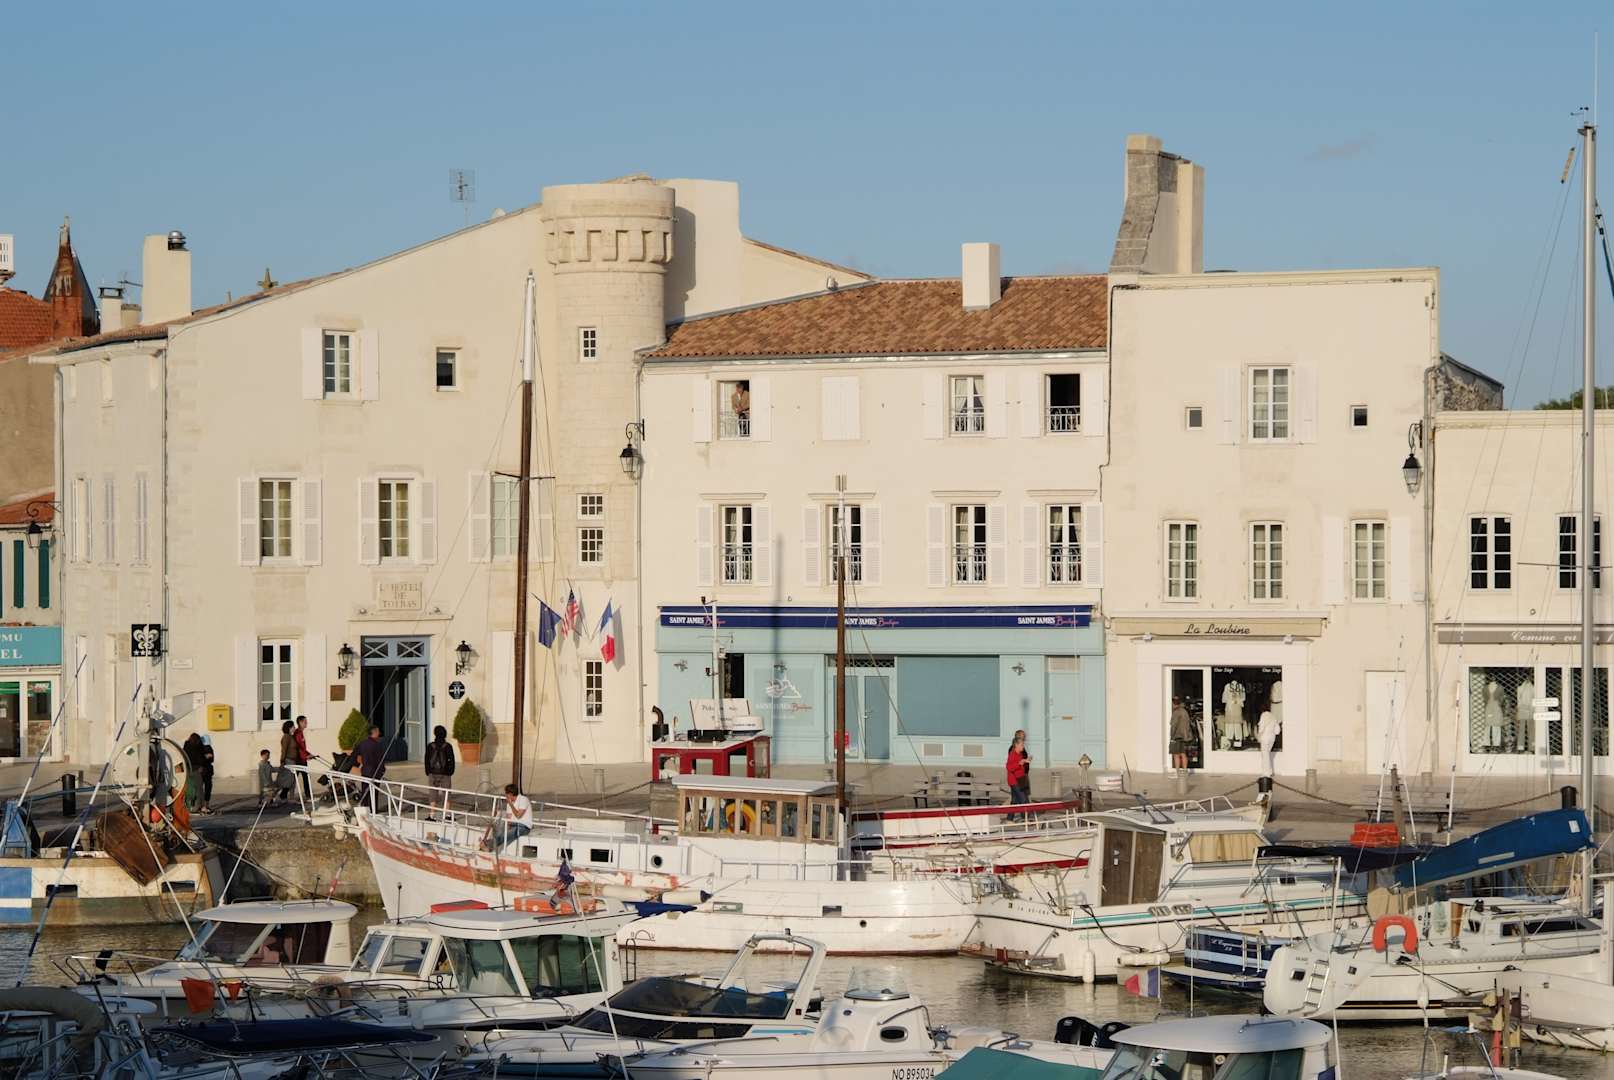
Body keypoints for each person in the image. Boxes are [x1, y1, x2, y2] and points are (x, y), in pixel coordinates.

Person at [482, 783, 534, 851]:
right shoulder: (509, 804)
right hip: (513, 825)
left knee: (507, 834)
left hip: (523, 826)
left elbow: (518, 815)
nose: (505, 796)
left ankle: (487, 844)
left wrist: (511, 804)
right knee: (500, 828)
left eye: (506, 794)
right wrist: (506, 828)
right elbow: (509, 819)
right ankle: (488, 845)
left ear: (510, 794)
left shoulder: (523, 799)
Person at [355, 724, 388, 811]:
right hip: (375, 772)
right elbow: (380, 760)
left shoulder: (362, 743)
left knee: (365, 792)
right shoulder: (377, 745)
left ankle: (365, 809)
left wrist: (365, 763)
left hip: (365, 771)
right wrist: (382, 770)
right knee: (374, 792)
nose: (379, 733)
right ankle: (373, 810)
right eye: (378, 731)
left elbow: (358, 758)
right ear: (374, 732)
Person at [1005, 734, 1029, 820]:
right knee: (1023, 799)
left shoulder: (1020, 754)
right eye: (1022, 745)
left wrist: (1025, 761)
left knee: (1014, 801)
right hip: (1014, 781)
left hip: (1020, 779)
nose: (1023, 746)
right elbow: (1009, 767)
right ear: (1016, 745)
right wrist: (1019, 763)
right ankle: (1025, 819)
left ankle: (1009, 818)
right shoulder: (1012, 754)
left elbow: (1019, 764)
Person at [182, 733, 208, 814]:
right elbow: (201, 758)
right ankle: (201, 806)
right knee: (199, 789)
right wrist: (202, 765)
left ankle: (188, 806)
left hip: (188, 769)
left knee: (189, 789)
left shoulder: (186, 746)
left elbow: (184, 756)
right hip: (197, 769)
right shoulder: (199, 746)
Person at [424, 725, 456, 790]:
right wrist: (450, 772)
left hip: (432, 773)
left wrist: (428, 771)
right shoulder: (448, 746)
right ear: (445, 734)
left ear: (435, 734)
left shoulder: (430, 746)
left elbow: (426, 759)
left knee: (433, 793)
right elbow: (452, 760)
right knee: (446, 793)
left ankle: (434, 799)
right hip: (445, 773)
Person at [1170, 697, 1193, 771]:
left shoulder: (1176, 712)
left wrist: (1172, 737)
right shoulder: (1185, 711)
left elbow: (1174, 726)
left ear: (1174, 703)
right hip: (1185, 736)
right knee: (1183, 754)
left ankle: (1177, 772)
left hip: (1177, 736)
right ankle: (1185, 770)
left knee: (1176, 754)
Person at [293, 716, 313, 800]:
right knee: (294, 779)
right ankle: (284, 794)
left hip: (303, 759)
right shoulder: (297, 733)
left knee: (306, 777)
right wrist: (306, 755)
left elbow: (302, 748)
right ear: (300, 722)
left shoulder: (301, 733)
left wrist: (309, 754)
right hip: (299, 760)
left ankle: (308, 795)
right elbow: (298, 748)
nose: (306, 723)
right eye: (305, 722)